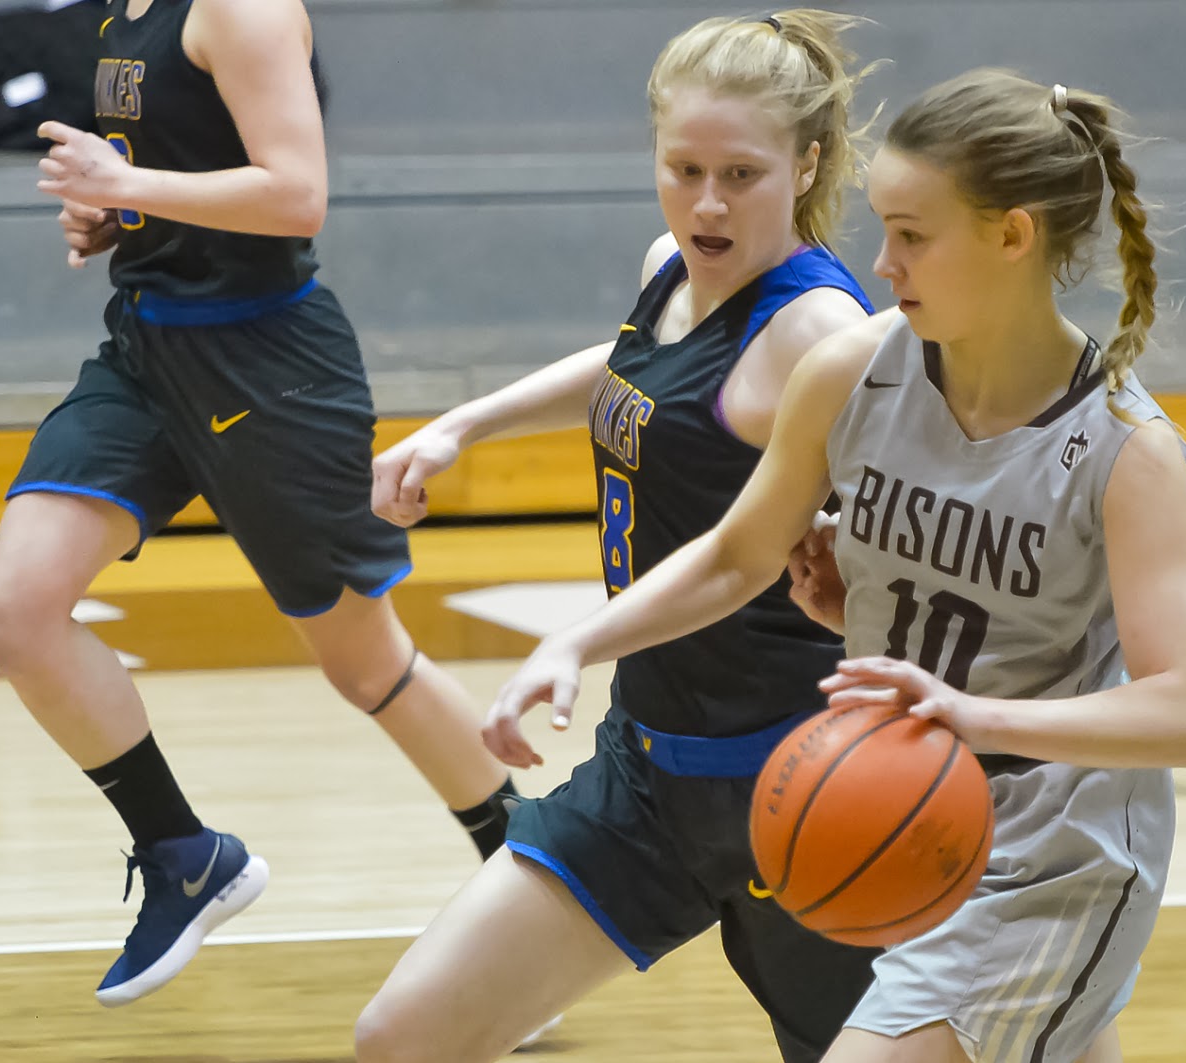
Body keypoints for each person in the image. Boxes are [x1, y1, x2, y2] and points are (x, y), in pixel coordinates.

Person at [481, 68, 1186, 1063]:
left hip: (1054, 859)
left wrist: (975, 717)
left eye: (913, 235)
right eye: (882, 228)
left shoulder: (1125, 451)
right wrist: (580, 639)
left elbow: (1182, 713)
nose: (881, 263)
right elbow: (737, 556)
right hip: (911, 819)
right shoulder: (854, 372)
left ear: (1012, 236)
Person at [0, 0, 521, 1009]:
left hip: (268, 368)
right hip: (147, 351)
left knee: (367, 665)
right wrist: (118, 212)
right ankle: (182, 854)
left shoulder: (241, 6)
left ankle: (538, 896)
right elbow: (193, 164)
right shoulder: (119, 12)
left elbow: (296, 193)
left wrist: (128, 181)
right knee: (13, 612)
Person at [359, 11, 887, 1062]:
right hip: (648, 772)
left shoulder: (818, 336)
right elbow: (637, 365)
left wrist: (574, 640)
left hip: (803, 787)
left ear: (807, 162)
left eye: (741, 173)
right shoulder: (674, 271)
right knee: (402, 1037)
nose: (706, 202)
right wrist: (467, 421)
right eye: (682, 166)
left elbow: (747, 558)